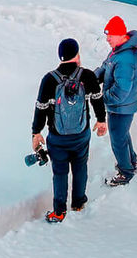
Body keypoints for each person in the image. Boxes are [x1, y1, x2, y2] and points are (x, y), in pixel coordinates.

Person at [32, 37, 107, 223]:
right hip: (81, 135)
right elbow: (98, 99)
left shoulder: (49, 79)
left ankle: (59, 211)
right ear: (77, 55)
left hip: (57, 137)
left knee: (60, 173)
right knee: (80, 167)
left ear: (61, 57)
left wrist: (36, 132)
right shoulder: (87, 76)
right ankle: (79, 203)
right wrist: (101, 120)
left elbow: (41, 107)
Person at [95, 16, 137, 186]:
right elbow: (105, 67)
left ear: (120, 34)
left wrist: (102, 98)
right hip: (122, 106)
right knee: (123, 135)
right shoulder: (118, 50)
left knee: (117, 139)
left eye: (110, 35)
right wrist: (91, 79)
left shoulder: (126, 58)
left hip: (121, 107)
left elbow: (122, 90)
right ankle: (131, 163)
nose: (107, 38)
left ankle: (126, 173)